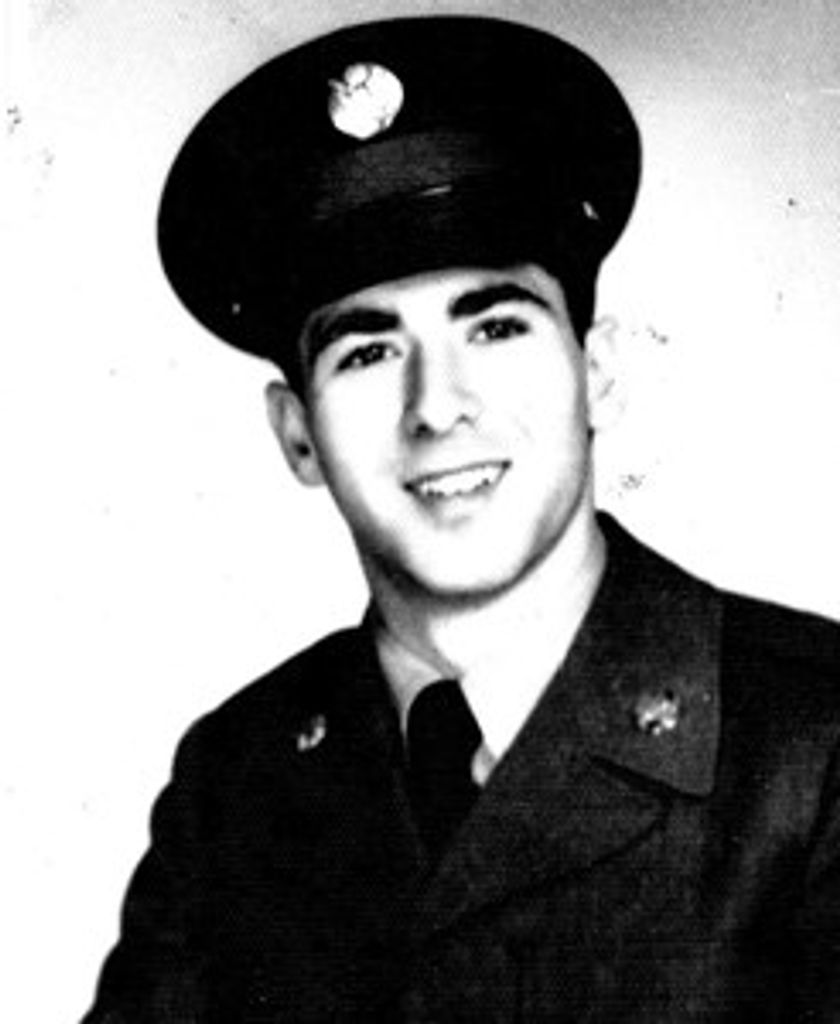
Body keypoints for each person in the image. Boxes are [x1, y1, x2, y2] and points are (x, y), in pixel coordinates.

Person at [82, 15, 840, 1022]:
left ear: (598, 372)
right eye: (367, 352)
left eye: (494, 327)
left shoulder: (812, 745)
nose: (437, 407)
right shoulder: (237, 783)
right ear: (297, 434)